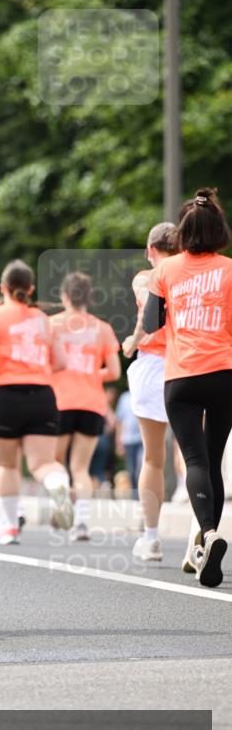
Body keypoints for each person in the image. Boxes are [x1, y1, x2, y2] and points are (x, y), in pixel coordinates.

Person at [144, 187, 232, 588]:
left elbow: (151, 324)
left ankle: (209, 534)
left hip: (181, 376)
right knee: (212, 460)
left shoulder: (165, 270)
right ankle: (204, 539)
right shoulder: (230, 270)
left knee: (194, 461)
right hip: (224, 374)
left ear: (182, 232)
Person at [0, 259, 72, 545]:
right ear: (30, 288)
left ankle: (10, 525)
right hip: (41, 395)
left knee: (7, 465)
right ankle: (58, 484)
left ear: (3, 287)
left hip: (5, 395)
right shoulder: (43, 320)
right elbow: (61, 362)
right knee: (43, 464)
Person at [122, 222, 181, 563]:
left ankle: (152, 537)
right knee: (195, 455)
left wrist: (132, 342)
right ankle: (200, 533)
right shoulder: (191, 276)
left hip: (154, 367)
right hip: (189, 362)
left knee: (152, 457)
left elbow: (149, 315)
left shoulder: (145, 277)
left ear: (152, 249)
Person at [50, 272, 120, 541]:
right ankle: (81, 523)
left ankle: (62, 506)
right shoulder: (102, 329)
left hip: (59, 401)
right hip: (92, 403)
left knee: (54, 464)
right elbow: (113, 372)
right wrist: (89, 373)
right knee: (81, 467)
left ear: (64, 296)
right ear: (88, 297)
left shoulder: (51, 324)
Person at [114, 390, 143, 498]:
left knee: (140, 466)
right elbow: (119, 421)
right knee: (131, 469)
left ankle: (141, 493)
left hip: (141, 439)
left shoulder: (142, 392)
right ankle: (134, 494)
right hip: (127, 439)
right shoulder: (124, 398)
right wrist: (118, 442)